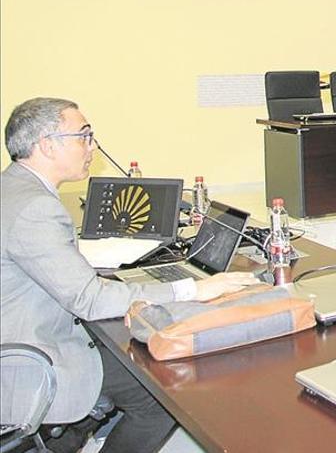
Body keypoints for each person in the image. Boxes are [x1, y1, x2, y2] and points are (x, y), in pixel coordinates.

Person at [0, 98, 259, 452]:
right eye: (83, 136)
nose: (92, 147)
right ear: (47, 144)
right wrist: (192, 289)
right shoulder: (35, 207)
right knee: (161, 391)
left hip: (21, 335)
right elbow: (89, 301)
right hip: (33, 358)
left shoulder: (13, 187)